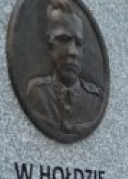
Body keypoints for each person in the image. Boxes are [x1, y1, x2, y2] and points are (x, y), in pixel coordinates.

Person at [24, 0, 104, 139]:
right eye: (63, 39)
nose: (73, 52)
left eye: (78, 43)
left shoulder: (94, 100)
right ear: (49, 45)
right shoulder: (37, 93)